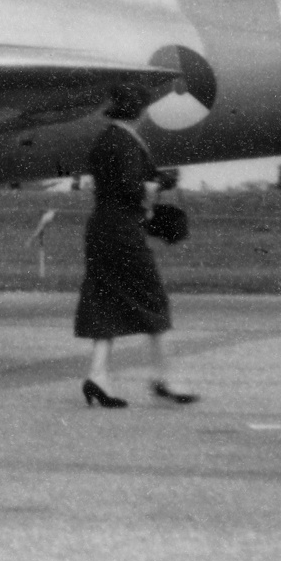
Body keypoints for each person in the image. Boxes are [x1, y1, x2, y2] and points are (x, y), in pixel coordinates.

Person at [75, 84, 197, 408]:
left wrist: (154, 178)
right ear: (140, 111)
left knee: (104, 300)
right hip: (124, 231)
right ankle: (165, 378)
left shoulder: (105, 140)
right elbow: (133, 189)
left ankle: (98, 376)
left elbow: (114, 183)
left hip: (100, 228)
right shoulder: (127, 141)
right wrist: (160, 184)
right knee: (153, 300)